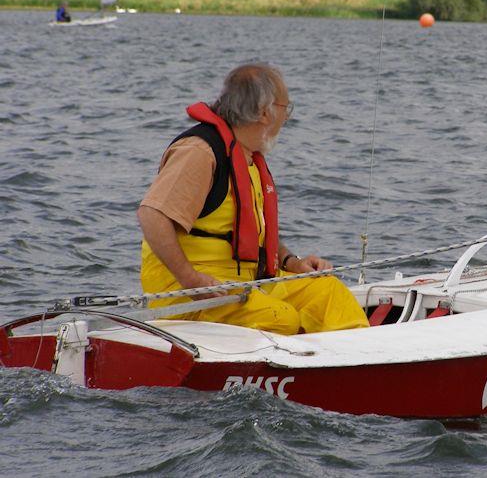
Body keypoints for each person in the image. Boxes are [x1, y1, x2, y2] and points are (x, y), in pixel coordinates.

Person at [138, 63, 369, 335]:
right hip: (192, 292)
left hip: (246, 283)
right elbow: (151, 215)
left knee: (329, 291)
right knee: (282, 319)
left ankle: (359, 364)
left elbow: (252, 231)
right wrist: (191, 280)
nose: (286, 118)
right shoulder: (199, 152)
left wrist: (291, 262)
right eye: (286, 109)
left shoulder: (247, 156)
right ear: (264, 113)